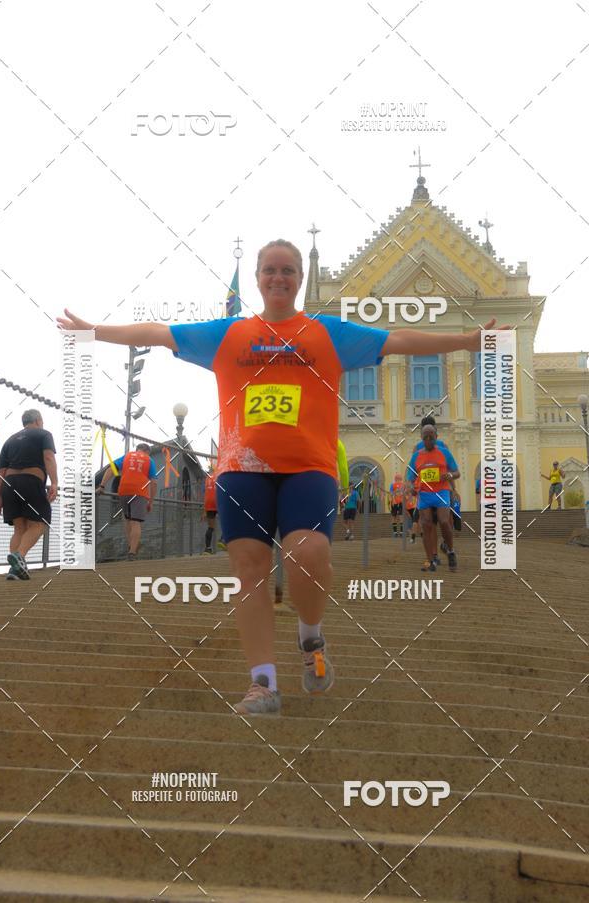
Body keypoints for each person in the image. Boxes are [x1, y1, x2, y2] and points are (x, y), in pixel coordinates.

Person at [58, 238, 507, 715]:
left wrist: (466, 341)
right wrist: (95, 332)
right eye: (270, 270)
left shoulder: (326, 332)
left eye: (288, 270)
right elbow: (161, 331)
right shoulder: (228, 334)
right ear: (258, 278)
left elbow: (396, 340)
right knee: (249, 571)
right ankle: (263, 683)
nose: (278, 278)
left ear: (299, 279)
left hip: (307, 469)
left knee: (307, 553)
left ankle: (310, 638)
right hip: (242, 470)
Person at [0, 410, 58, 580]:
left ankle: (15, 570)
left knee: (19, 528)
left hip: (9, 484)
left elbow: (1, 471)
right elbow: (49, 457)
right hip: (31, 481)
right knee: (40, 523)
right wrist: (55, 482)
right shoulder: (44, 434)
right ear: (38, 420)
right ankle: (19, 556)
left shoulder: (10, 440)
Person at [407, 423, 460, 572]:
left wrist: (449, 475)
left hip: (441, 492)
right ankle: (430, 560)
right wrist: (411, 486)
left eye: (432, 437)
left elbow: (456, 472)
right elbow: (410, 476)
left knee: (444, 521)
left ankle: (450, 551)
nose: (429, 440)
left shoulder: (444, 453)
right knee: (426, 525)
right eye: (426, 438)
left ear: (436, 437)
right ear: (421, 439)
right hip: (424, 494)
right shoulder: (416, 456)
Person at [98, 443, 156, 560]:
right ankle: (132, 552)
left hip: (124, 490)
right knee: (136, 522)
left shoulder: (127, 456)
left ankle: (130, 546)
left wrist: (102, 486)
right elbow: (154, 483)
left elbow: (111, 469)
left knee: (127, 519)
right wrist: (150, 502)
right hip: (140, 492)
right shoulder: (149, 460)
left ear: (137, 449)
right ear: (147, 452)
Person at [389, 473, 404, 537]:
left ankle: (398, 532)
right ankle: (398, 532)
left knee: (396, 517)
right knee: (398, 517)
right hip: (396, 502)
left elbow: (391, 493)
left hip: (399, 502)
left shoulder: (402, 485)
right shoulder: (393, 485)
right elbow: (391, 493)